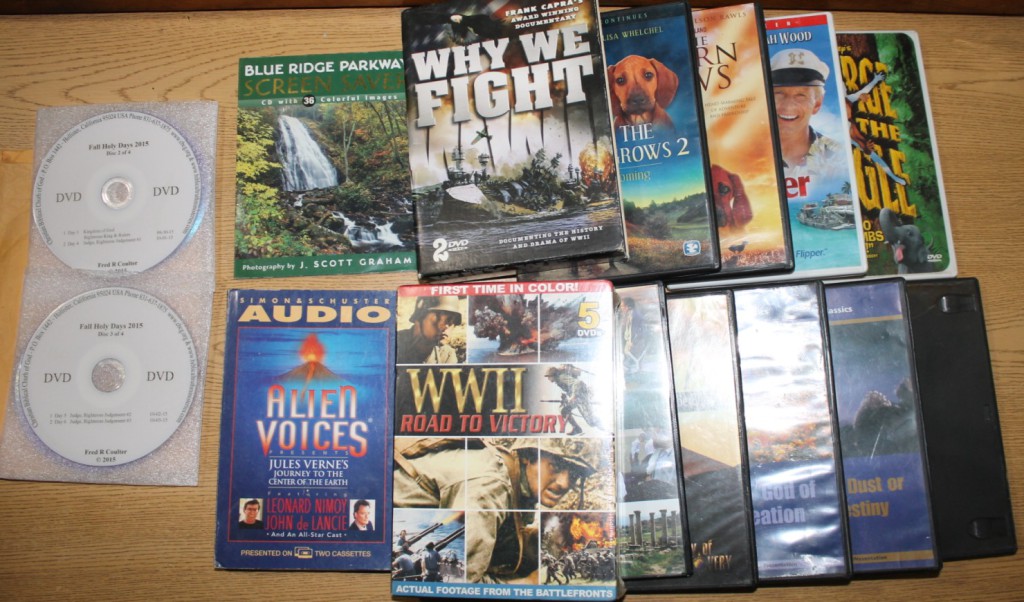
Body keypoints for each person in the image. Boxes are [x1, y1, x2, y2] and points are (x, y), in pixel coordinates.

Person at [393, 437, 602, 583]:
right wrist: (527, 584)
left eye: (574, 474)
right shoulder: (490, 487)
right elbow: (460, 584)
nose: (565, 483)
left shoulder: (514, 476)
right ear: (529, 456)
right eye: (556, 466)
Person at [770, 48, 844, 176]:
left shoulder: (840, 156)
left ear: (817, 104)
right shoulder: (746, 154)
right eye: (779, 94)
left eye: (801, 95)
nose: (788, 106)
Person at [397, 296, 462, 364]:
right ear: (420, 318)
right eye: (437, 318)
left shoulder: (446, 355)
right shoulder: (395, 343)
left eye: (450, 321)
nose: (445, 326)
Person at [544, 365, 596, 435]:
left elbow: (578, 382)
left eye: (549, 376)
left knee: (591, 422)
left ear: (552, 375)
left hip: (581, 397)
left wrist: (573, 396)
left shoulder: (561, 377)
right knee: (564, 410)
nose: (548, 379)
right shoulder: (558, 380)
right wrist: (565, 397)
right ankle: (576, 428)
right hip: (578, 398)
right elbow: (570, 387)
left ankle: (605, 428)